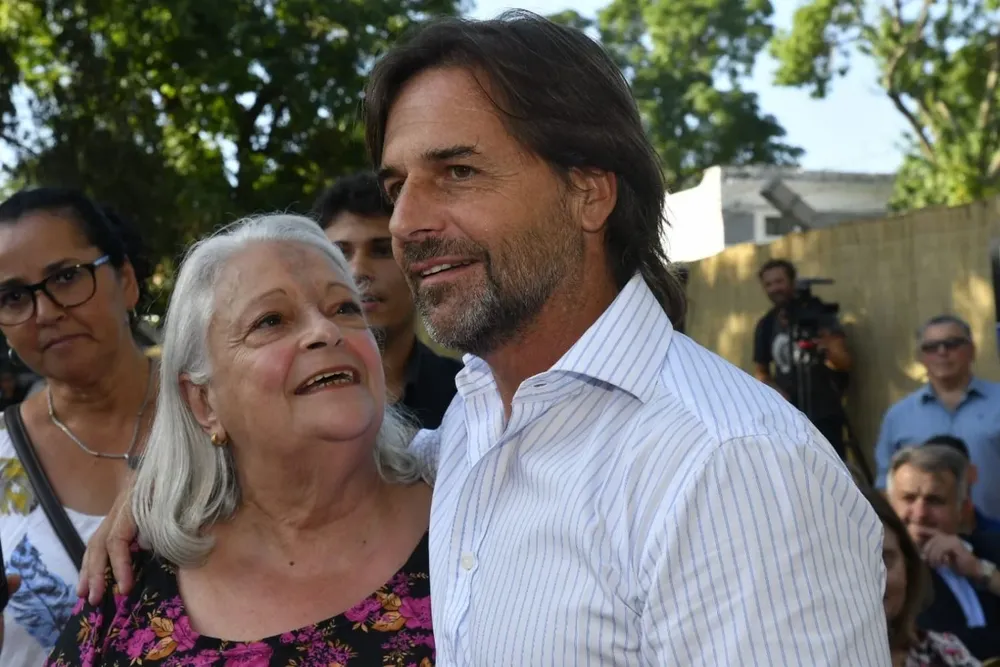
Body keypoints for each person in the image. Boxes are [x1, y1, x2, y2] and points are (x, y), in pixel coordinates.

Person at [82, 11, 888, 665]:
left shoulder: (727, 467)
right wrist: (158, 495)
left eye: (457, 173)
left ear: (589, 192)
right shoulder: (478, 422)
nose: (407, 224)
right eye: (398, 186)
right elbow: (335, 475)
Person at [46, 214, 435, 665]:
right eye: (271, 320)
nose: (325, 332)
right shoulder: (134, 573)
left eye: (345, 308)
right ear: (203, 403)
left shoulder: (469, 515)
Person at [0, 188, 156, 666]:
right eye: (13, 297)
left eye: (66, 277)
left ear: (126, 280)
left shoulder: (226, 415)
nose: (45, 312)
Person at [313, 172, 462, 428]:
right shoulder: (291, 392)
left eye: (383, 250)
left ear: (422, 265)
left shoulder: (467, 396)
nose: (358, 270)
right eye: (339, 252)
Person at [875, 315, 1000, 522]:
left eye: (952, 344)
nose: (942, 352)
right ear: (920, 357)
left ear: (972, 351)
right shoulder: (898, 416)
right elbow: (884, 487)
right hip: (923, 540)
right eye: (931, 347)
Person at [885, 445, 1000, 660]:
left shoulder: (991, 549)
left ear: (963, 509)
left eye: (935, 500)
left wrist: (981, 571)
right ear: (889, 505)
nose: (920, 514)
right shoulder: (886, 573)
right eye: (909, 498)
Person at [863, 486, 982, 666]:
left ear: (907, 565)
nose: (875, 578)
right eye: (853, 566)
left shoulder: (947, 653)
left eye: (883, 559)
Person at [753, 258, 853, 458]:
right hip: (787, 417)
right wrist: (777, 395)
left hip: (825, 411)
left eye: (779, 281)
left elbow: (844, 362)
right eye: (769, 284)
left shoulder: (819, 314)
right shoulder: (766, 324)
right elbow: (761, 371)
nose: (774, 288)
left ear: (792, 282)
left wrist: (826, 348)